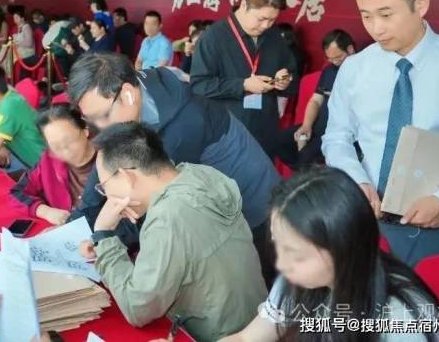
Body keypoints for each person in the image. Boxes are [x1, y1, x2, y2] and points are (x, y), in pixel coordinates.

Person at [68, 53, 281, 284]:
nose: (100, 128)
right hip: (209, 198)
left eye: (102, 116)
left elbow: (154, 206)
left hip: (253, 206)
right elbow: (107, 160)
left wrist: (106, 239)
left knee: (257, 283)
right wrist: (74, 224)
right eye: (91, 120)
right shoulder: (131, 93)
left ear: (128, 94)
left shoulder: (182, 128)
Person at [323, 0, 439, 266]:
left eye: (385, 14)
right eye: (366, 16)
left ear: (421, 4)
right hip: (369, 218)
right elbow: (337, 137)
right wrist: (357, 181)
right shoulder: (354, 69)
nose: (376, 28)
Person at [220, 167, 439, 342]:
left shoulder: (402, 321)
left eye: (296, 254)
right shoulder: (298, 280)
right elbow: (247, 338)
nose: (282, 264)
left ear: (342, 249)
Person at [85, 122, 266, 341]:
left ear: (126, 176)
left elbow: (138, 308)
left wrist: (103, 234)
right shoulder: (199, 174)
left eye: (104, 186)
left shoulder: (168, 219)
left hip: (218, 334)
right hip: (257, 321)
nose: (107, 196)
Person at [190, 0, 298, 159]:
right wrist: (243, 85)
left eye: (272, 20)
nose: (266, 26)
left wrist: (285, 79)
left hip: (265, 131)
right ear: (244, 5)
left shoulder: (273, 35)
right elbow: (199, 85)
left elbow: (292, 72)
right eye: (261, 19)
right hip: (227, 134)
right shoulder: (214, 37)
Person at [276, 29, 355, 169]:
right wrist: (306, 125)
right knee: (278, 141)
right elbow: (316, 101)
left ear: (350, 49)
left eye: (338, 57)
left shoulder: (361, 72)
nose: (335, 62)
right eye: (330, 58)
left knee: (305, 156)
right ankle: (308, 172)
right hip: (317, 126)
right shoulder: (329, 71)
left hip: (338, 133)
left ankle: (308, 173)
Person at [10, 104, 97, 225]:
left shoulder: (109, 160)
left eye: (69, 141)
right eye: (56, 146)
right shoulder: (49, 160)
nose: (65, 152)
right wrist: (45, 211)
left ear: (85, 130)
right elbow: (17, 193)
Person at [11, 6, 38, 80]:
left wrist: (17, 43)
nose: (14, 19)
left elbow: (29, 43)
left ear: (22, 18)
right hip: (19, 51)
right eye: (14, 18)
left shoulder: (26, 27)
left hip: (27, 53)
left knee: (9, 57)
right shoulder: (18, 28)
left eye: (17, 17)